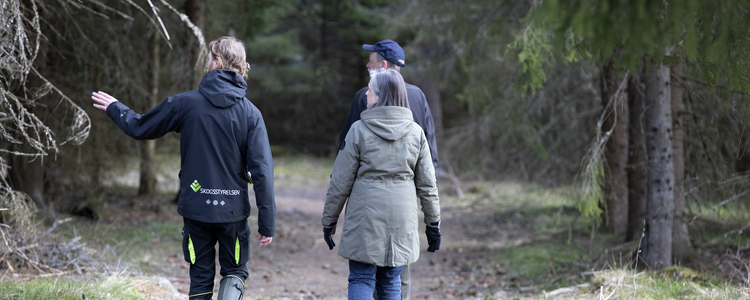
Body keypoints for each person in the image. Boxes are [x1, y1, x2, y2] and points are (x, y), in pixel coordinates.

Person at [91, 36, 275, 300]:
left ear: (217, 61)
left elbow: (141, 127)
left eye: (210, 57)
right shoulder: (251, 113)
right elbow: (262, 172)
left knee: (200, 275)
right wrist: (267, 224)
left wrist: (115, 108)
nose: (207, 62)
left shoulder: (186, 103)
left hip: (197, 208)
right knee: (235, 271)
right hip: (232, 212)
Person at [322, 68, 442, 300]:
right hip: (402, 219)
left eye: (369, 91)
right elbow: (428, 185)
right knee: (390, 280)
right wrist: (433, 224)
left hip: (365, 217)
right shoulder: (416, 133)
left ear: (381, 96)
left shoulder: (358, 130)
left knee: (361, 278)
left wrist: (329, 221)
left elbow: (340, 182)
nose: (365, 95)